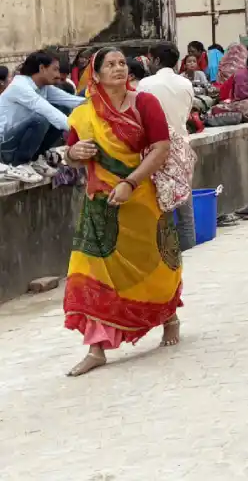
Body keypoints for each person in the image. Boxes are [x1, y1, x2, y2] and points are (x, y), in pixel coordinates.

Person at [62, 48, 178, 376]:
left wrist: (130, 182)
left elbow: (161, 148)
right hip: (100, 205)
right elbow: (71, 155)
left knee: (153, 266)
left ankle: (169, 317)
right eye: (110, 65)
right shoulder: (84, 114)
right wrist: (73, 152)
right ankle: (96, 347)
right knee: (90, 273)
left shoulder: (144, 103)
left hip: (140, 200)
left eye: (122, 64)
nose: (118, 68)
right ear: (96, 74)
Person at [136, 43, 198, 250]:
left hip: (156, 149)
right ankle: (191, 253)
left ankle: (166, 256)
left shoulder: (145, 84)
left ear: (155, 60)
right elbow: (186, 113)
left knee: (162, 209)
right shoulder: (185, 84)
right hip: (182, 147)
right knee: (185, 209)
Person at [0, 51, 84, 180]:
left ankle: (35, 158)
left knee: (63, 109)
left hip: (16, 141)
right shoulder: (20, 86)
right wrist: (83, 132)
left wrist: (101, 103)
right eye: (55, 69)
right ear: (42, 68)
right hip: (4, 145)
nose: (58, 75)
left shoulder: (43, 87)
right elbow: (49, 111)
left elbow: (72, 101)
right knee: (41, 118)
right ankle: (19, 164)